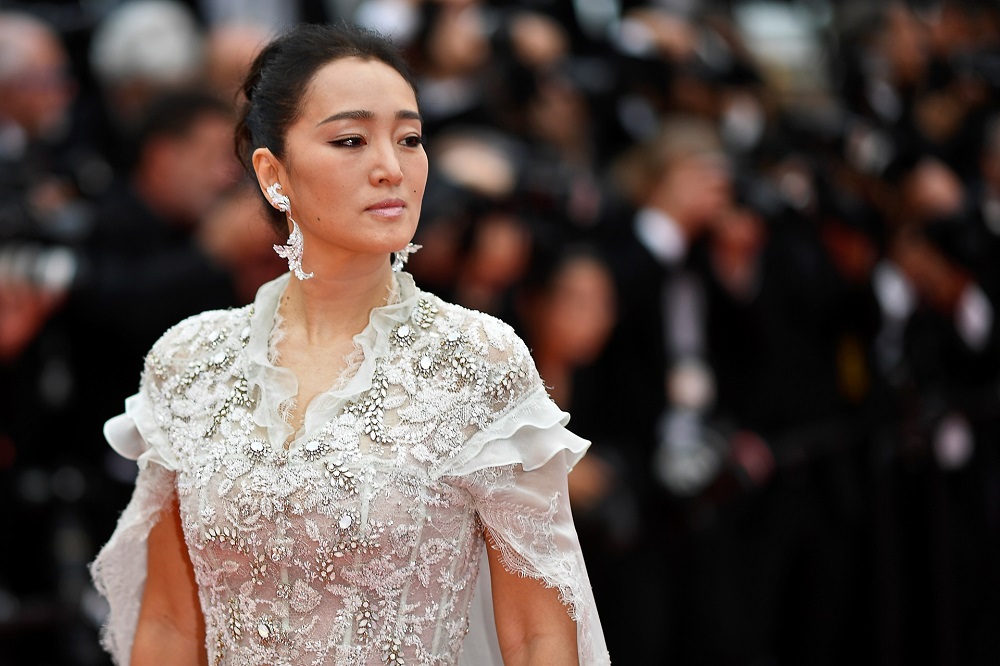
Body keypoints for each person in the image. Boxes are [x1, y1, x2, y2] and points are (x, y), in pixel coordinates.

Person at [89, 22, 608, 666]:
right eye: (351, 139)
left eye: (410, 139)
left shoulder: (477, 361)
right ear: (273, 172)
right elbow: (169, 623)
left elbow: (538, 634)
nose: (391, 167)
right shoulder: (186, 363)